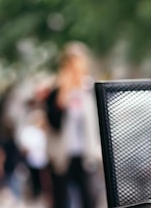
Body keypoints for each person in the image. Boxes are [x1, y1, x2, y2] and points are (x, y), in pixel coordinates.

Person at [44, 42, 101, 208]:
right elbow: (53, 123)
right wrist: (62, 96)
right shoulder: (57, 92)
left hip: (86, 154)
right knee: (61, 199)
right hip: (63, 155)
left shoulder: (89, 89)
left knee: (89, 199)